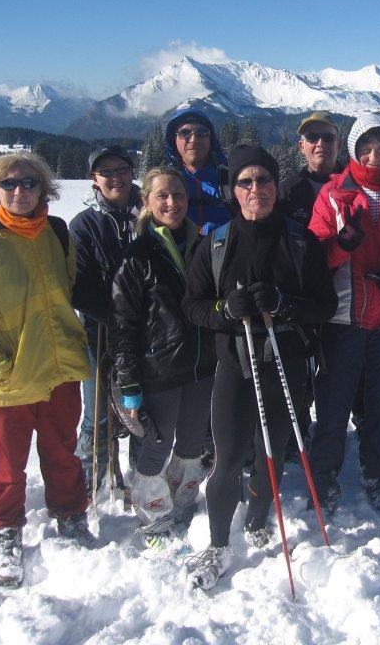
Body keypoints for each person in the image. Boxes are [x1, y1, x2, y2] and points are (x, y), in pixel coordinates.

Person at [182, 145, 336, 590]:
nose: (256, 189)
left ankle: (256, 517)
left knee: (271, 452)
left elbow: (325, 305)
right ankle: (217, 544)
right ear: (233, 190)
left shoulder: (300, 240)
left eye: (264, 179)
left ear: (275, 184)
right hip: (234, 364)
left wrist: (286, 306)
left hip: (285, 362)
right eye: (245, 182)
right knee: (229, 457)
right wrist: (226, 311)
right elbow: (192, 305)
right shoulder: (215, 243)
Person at [0, 152, 93, 590]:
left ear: (42, 187)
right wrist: (1, 371)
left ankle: (71, 517)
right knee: (7, 468)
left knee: (63, 455)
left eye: (29, 182)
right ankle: (8, 534)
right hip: (6, 385)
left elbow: (68, 291)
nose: (20, 191)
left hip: (59, 373)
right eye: (8, 184)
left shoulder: (56, 233)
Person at [306, 113, 380, 518]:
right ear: (354, 152)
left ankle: (376, 476)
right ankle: (324, 480)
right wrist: (342, 245)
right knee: (333, 408)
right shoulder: (333, 195)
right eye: (366, 149)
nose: (374, 157)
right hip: (342, 319)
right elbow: (314, 261)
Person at [109, 167, 217, 546]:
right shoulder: (137, 256)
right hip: (159, 371)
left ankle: (181, 504)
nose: (172, 202)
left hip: (201, 367)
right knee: (154, 447)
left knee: (191, 444)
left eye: (179, 195)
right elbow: (122, 326)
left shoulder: (204, 246)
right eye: (163, 196)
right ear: (147, 202)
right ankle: (152, 517)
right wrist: (129, 384)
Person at [70, 146, 140, 492]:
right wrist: (113, 314)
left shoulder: (149, 212)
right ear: (94, 179)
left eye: (121, 169)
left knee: (142, 410)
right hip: (98, 331)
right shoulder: (84, 224)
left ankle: (142, 478)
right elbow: (77, 286)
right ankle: (89, 481)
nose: (115, 178)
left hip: (145, 331)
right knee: (97, 413)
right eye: (106, 172)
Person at [277, 111, 345, 457]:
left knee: (342, 371)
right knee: (300, 372)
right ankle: (298, 432)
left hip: (347, 295)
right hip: (302, 299)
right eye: (312, 138)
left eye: (327, 137)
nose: (320, 144)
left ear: (338, 144)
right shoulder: (288, 191)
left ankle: (343, 429)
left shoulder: (353, 184)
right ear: (301, 146)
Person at [165, 108, 230, 235]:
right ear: (174, 140)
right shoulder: (166, 182)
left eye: (202, 132)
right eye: (185, 132)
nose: (194, 139)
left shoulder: (231, 179)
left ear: (211, 139)